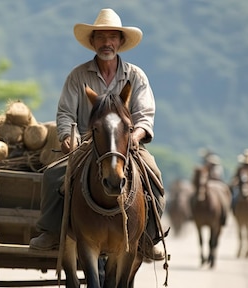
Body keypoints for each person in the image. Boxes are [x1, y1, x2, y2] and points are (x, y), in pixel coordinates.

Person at [29, 8, 166, 261]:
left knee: (155, 175)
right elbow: (65, 114)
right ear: (92, 42)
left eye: (112, 37)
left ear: (120, 42)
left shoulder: (135, 77)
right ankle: (50, 232)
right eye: (101, 37)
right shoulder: (77, 76)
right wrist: (67, 137)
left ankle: (150, 236)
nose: (106, 43)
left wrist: (135, 137)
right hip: (87, 144)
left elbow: (145, 115)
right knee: (52, 175)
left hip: (127, 144)